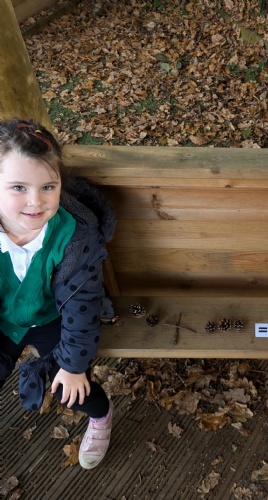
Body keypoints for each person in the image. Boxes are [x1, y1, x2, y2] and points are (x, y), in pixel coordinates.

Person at [0, 118, 116, 469]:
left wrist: (72, 366)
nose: (36, 202)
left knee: (73, 390)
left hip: (55, 317)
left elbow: (83, 305)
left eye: (48, 186)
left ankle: (102, 415)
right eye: (18, 187)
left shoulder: (76, 237)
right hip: (5, 321)